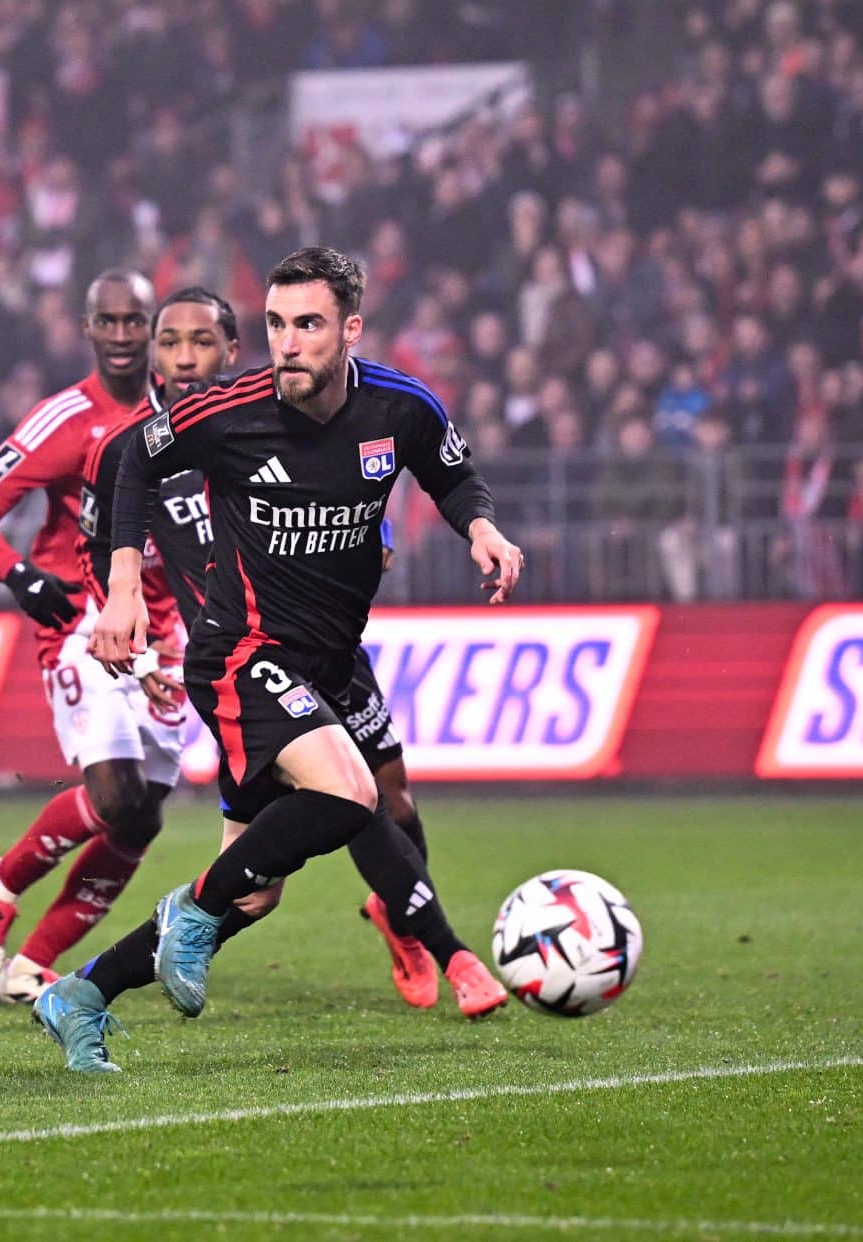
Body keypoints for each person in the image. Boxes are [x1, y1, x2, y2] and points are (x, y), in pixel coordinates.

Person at [36, 247, 524, 1074]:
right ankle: (192, 913)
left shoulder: (401, 407)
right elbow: (128, 458)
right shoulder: (229, 411)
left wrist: (480, 527)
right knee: (353, 793)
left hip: (330, 663)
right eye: (275, 324)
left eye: (308, 324)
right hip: (241, 652)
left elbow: (452, 473)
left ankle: (79, 995)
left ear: (350, 330)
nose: (288, 342)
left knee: (253, 889)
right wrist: (123, 588)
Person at [0, 270, 185, 1004]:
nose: (121, 334)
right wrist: (20, 577)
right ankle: (3, 876)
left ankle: (33, 963)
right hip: (82, 619)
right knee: (113, 792)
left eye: (134, 321)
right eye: (107, 321)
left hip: (167, 631)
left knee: (142, 815)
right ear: (86, 328)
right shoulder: (66, 419)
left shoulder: (184, 412)